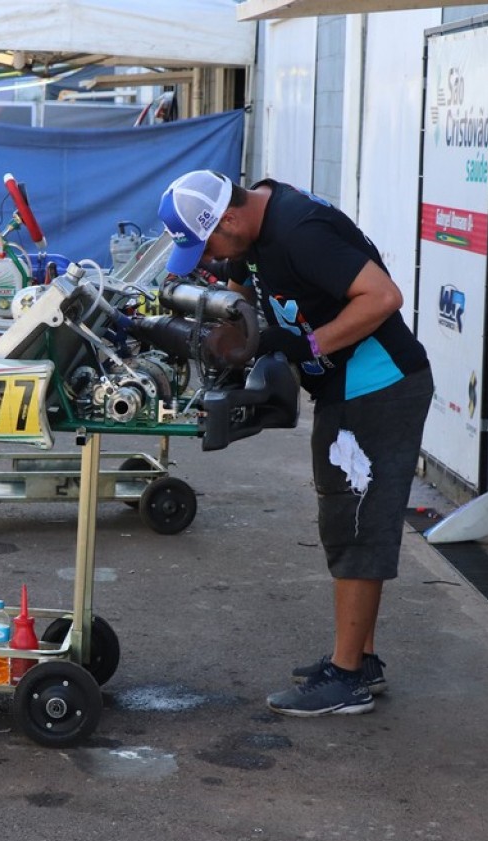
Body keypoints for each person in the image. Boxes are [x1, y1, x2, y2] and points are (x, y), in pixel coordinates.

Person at [159, 170, 433, 717]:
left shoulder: (300, 231)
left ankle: (347, 678)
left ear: (228, 219)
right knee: (347, 520)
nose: (209, 257)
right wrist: (226, 334)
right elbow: (242, 291)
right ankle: (360, 660)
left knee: (356, 524)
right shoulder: (251, 232)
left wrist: (309, 346)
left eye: (206, 245)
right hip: (345, 388)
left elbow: (383, 296)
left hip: (377, 388)